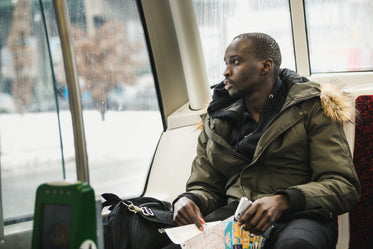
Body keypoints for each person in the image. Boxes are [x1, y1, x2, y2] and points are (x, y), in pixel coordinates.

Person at [163, 33, 361, 249]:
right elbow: (206, 185)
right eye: (226, 63)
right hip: (236, 217)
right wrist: (190, 199)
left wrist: (284, 200)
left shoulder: (311, 107)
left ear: (265, 66)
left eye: (235, 62)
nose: (226, 72)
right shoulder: (216, 120)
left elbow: (343, 185)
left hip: (299, 215)